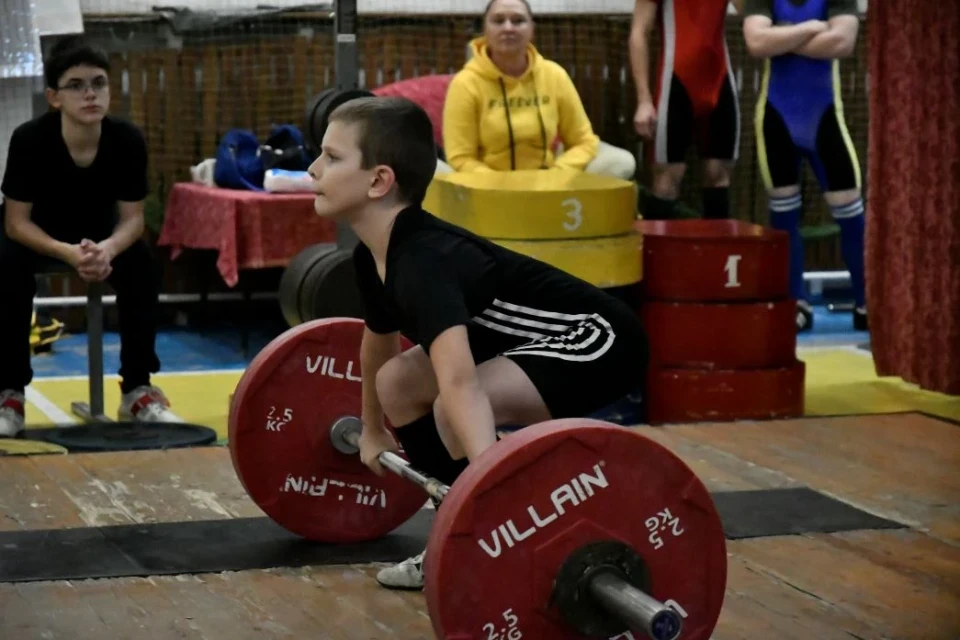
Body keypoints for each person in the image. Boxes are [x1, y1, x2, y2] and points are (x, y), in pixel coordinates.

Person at [307, 95, 649, 590]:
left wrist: (488, 484)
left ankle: (496, 530)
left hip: (597, 338)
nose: (314, 168)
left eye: (332, 158)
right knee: (398, 382)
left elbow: (461, 384)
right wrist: (374, 428)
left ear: (380, 181)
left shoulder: (423, 262)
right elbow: (378, 347)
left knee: (455, 408)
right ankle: (456, 536)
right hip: (522, 342)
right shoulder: (374, 255)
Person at [0, 36, 180, 436]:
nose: (90, 94)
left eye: (98, 83)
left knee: (142, 266)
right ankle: (9, 393)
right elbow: (15, 222)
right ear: (53, 97)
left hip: (99, 236)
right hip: (37, 235)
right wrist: (66, 253)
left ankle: (136, 390)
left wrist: (108, 249)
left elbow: (133, 219)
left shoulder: (127, 140)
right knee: (6, 267)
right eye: (77, 85)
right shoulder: (29, 140)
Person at [742, 0, 866, 331]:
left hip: (826, 120)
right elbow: (756, 43)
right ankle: (794, 302)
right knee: (784, 219)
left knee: (851, 217)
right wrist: (813, 28)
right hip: (776, 121)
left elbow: (842, 43)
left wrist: (782, 37)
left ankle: (867, 302)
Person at [441, 0, 637, 180]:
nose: (508, 28)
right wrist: (501, 183)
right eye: (498, 21)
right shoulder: (465, 83)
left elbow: (584, 141)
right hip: (487, 185)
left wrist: (557, 173)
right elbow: (460, 157)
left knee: (621, 161)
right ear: (485, 29)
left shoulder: (554, 75)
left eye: (518, 21)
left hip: (547, 181)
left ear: (532, 29)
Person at [629, 0, 743, 220]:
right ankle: (657, 254)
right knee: (667, 178)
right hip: (675, 83)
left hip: (719, 81)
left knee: (718, 173)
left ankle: (716, 253)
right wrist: (643, 100)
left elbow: (751, 11)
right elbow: (639, 33)